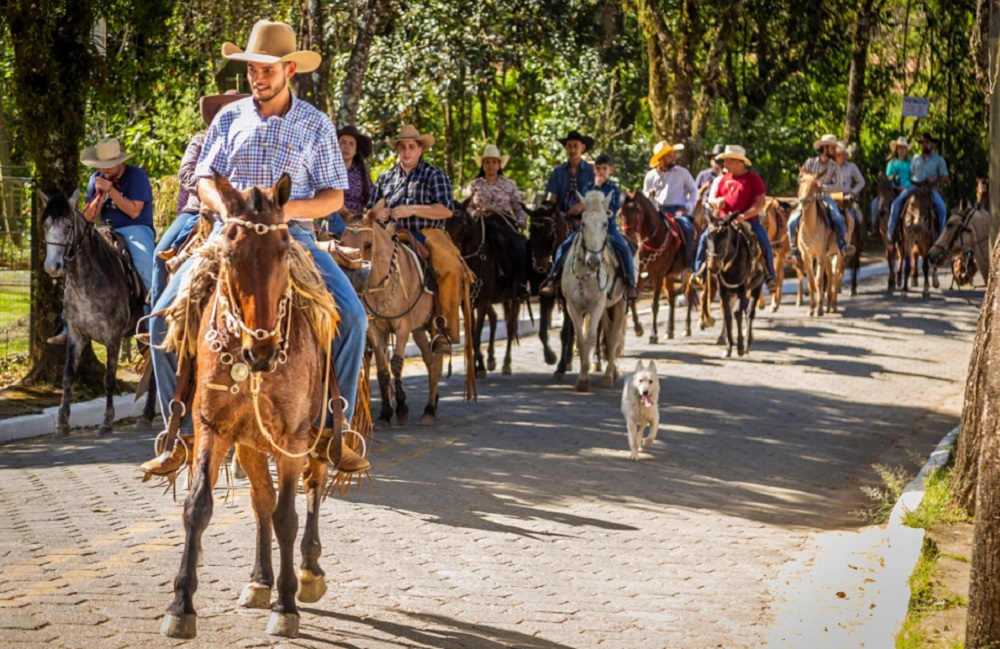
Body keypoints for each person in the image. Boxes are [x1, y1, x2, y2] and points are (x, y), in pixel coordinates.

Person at [141, 19, 368, 476]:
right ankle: (179, 434)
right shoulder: (229, 118)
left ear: (289, 70)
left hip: (293, 239)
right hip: (228, 237)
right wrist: (224, 209)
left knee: (354, 321)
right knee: (161, 323)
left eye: (266, 70)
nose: (257, 78)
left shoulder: (316, 124)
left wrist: (287, 212)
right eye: (252, 70)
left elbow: (335, 196)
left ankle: (330, 431)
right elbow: (204, 178)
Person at [367, 124, 467, 353]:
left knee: (449, 267)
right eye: (402, 147)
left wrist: (412, 210)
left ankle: (443, 328)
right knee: (361, 262)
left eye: (411, 147)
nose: (406, 151)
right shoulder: (385, 178)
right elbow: (371, 209)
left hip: (427, 233)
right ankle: (367, 322)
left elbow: (446, 210)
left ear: (420, 149)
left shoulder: (434, 175)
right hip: (390, 233)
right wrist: (378, 213)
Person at [152, 90, 247, 308]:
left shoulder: (249, 143)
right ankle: (156, 319)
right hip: (197, 209)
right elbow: (185, 173)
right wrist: (213, 192)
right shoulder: (201, 141)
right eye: (226, 111)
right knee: (160, 254)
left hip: (240, 211)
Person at [539, 153, 638, 300]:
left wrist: (597, 189)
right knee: (564, 246)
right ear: (593, 170)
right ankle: (552, 278)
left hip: (608, 229)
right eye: (597, 168)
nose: (600, 172)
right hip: (585, 229)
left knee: (624, 249)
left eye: (604, 169)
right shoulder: (587, 187)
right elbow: (578, 202)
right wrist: (576, 206)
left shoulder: (614, 189)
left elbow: (611, 208)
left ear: (611, 170)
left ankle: (630, 283)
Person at [690, 145, 776, 292]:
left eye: (727, 161)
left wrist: (744, 216)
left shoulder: (753, 179)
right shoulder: (721, 179)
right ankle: (699, 273)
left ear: (738, 162)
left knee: (763, 239)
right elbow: (711, 199)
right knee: (705, 237)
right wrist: (716, 202)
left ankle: (770, 276)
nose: (724, 164)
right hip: (723, 221)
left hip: (747, 220)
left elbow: (761, 202)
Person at [464, 144, 531, 300]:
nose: (491, 165)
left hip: (503, 221)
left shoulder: (509, 185)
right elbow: (466, 207)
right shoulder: (474, 185)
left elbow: (517, 206)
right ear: (483, 165)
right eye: (487, 162)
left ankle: (521, 284)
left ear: (499, 165)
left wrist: (521, 219)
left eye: (494, 162)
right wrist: (474, 212)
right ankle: (463, 281)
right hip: (480, 222)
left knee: (521, 246)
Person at [787, 133, 855, 263]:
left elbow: (839, 185)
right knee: (792, 221)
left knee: (838, 217)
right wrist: (808, 182)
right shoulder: (810, 163)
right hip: (808, 199)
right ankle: (794, 250)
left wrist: (823, 187)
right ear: (824, 148)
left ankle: (842, 246)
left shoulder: (834, 166)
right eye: (833, 148)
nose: (835, 151)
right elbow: (799, 178)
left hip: (825, 198)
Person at [643, 140, 698, 270]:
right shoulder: (651, 176)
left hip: (677, 210)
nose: (674, 157)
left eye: (673, 154)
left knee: (689, 231)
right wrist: (649, 194)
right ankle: (644, 265)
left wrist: (687, 207)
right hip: (657, 211)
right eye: (669, 155)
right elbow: (645, 195)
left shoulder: (682, 172)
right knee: (642, 233)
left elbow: (694, 190)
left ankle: (691, 266)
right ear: (660, 159)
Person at [887, 132, 948, 242]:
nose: (925, 145)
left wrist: (935, 180)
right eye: (922, 143)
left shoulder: (939, 160)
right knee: (896, 203)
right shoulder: (915, 159)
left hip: (930, 188)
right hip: (915, 187)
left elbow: (945, 176)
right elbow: (911, 173)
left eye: (927, 143)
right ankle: (891, 232)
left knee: (942, 209)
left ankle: (941, 236)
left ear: (932, 144)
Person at [328, 125, 374, 237]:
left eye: (351, 144)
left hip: (356, 220)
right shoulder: (327, 169)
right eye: (343, 142)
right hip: (330, 218)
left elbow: (372, 198)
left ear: (355, 151)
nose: (346, 147)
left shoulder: (361, 173)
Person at [544, 130, 596, 213]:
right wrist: (549, 203)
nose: (572, 150)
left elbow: (598, 194)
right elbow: (551, 193)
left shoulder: (591, 171)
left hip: (587, 216)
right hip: (562, 216)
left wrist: (582, 205)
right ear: (565, 148)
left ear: (582, 148)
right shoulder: (558, 171)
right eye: (569, 146)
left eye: (576, 146)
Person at [870, 136, 911, 235]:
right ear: (896, 150)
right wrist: (894, 185)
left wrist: (905, 186)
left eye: (903, 148)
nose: (901, 150)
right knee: (875, 203)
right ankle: (875, 227)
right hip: (891, 189)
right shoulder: (891, 163)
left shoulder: (911, 163)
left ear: (906, 150)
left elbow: (913, 177)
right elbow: (887, 179)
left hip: (907, 189)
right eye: (899, 148)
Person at [832, 141, 865, 228]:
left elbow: (861, 181)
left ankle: (852, 238)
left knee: (855, 218)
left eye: (845, 154)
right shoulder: (830, 167)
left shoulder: (851, 166)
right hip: (833, 196)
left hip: (847, 196)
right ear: (836, 155)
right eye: (841, 154)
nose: (844, 156)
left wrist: (853, 191)